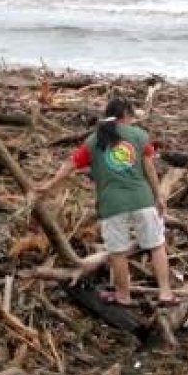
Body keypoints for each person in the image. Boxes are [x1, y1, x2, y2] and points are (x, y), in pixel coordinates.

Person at [36, 97, 175, 306]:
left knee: (118, 253)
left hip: (111, 205)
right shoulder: (139, 135)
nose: (132, 121)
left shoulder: (93, 140)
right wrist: (159, 197)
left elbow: (70, 164)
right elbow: (150, 169)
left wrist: (49, 184)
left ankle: (123, 296)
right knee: (156, 246)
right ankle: (165, 293)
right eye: (131, 116)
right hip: (143, 200)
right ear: (125, 114)